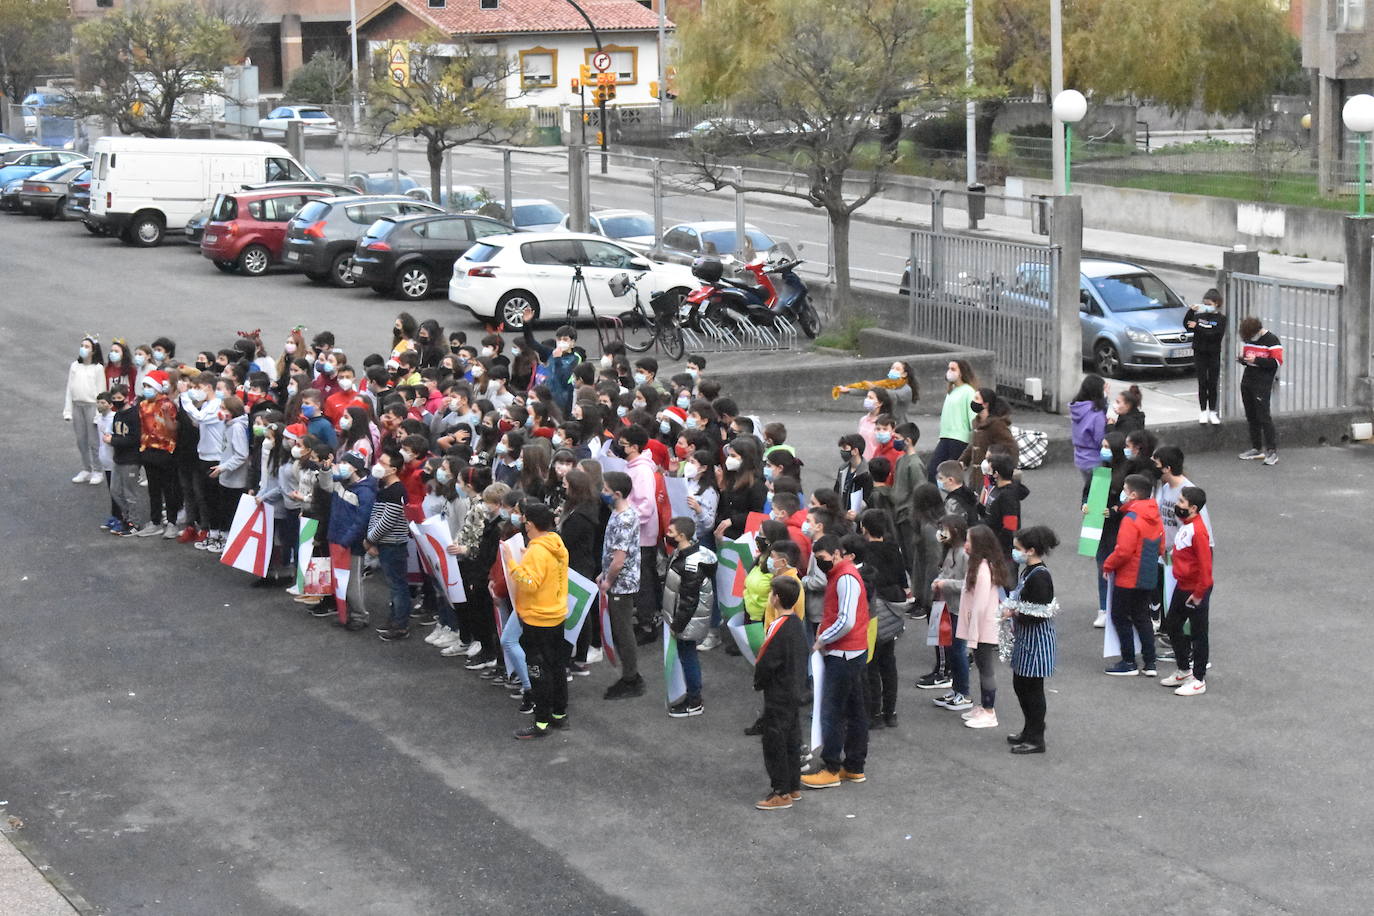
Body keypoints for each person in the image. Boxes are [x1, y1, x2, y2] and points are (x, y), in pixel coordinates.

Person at [801, 534, 871, 790]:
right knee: (854, 710)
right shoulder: (843, 575)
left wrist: (822, 639)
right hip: (850, 652)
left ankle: (831, 767)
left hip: (843, 653)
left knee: (832, 711)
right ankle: (853, 766)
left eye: (822, 559)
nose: (821, 564)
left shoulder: (845, 578)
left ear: (838, 554)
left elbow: (846, 620)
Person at [508, 502, 571, 740]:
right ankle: (558, 714)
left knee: (538, 671)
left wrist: (512, 564)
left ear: (530, 524)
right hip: (556, 615)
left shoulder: (536, 551)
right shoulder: (556, 545)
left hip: (537, 619)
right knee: (556, 666)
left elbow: (530, 582)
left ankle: (541, 722)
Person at [753, 576, 808, 811]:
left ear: (776, 598)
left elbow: (767, 663)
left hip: (778, 693)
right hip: (794, 690)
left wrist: (759, 681)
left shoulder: (778, 629)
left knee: (775, 740)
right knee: (792, 738)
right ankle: (793, 785)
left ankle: (780, 791)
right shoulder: (797, 624)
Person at [1102, 474, 1164, 676]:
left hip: (1128, 576)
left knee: (1119, 616)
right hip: (1147, 574)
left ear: (1134, 494)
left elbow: (1123, 551)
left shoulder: (1131, 518)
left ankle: (1128, 661)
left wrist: (1108, 565)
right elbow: (1161, 547)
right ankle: (1150, 662)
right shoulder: (1154, 516)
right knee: (1142, 617)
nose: (1123, 494)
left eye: (1126, 490)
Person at [1005, 526, 1059, 754]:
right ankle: (1029, 729)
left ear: (1031, 550)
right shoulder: (1028, 571)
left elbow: (1039, 613)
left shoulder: (1040, 577)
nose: (1014, 552)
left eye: (1018, 549)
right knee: (1021, 685)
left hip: (1036, 642)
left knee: (1033, 690)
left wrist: (1014, 613)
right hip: (1025, 639)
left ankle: (1036, 737)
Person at [952, 524, 1007, 729]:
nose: (965, 544)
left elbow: (980, 608)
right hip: (980, 627)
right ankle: (984, 706)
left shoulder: (983, 571)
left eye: (968, 541)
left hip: (983, 629)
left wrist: (972, 637)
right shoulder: (980, 565)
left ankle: (989, 710)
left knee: (985, 669)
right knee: (982, 666)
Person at [1160, 486, 1213, 697]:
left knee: (1199, 634)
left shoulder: (1198, 531)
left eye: (1181, 502)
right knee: (1173, 625)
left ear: (1192, 508)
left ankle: (1199, 679)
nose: (1177, 504)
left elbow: (1206, 567)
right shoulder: (1187, 525)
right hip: (1183, 586)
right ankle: (1184, 669)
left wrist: (1199, 593)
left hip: (1195, 590)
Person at [858, 514, 909, 730]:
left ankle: (875, 712)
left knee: (872, 665)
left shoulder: (866, 554)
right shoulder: (893, 549)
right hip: (894, 610)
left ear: (865, 530)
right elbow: (902, 579)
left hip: (876, 610)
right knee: (889, 664)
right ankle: (891, 711)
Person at [662, 516, 716, 718]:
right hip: (685, 618)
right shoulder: (685, 553)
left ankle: (694, 700)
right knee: (687, 656)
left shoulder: (691, 565)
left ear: (682, 536)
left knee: (688, 657)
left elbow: (688, 600)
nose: (668, 535)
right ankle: (692, 695)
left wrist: (677, 625)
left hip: (686, 621)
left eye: (671, 533)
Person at [601, 471, 646, 700]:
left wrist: (608, 580)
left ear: (617, 494)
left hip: (621, 585)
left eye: (606, 490)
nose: (603, 493)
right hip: (617, 581)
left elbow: (618, 559)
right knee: (620, 629)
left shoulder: (624, 519)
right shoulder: (618, 513)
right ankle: (629, 674)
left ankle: (631, 677)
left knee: (622, 631)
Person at [325, 452, 376, 632]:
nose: (341, 465)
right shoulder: (341, 483)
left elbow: (362, 522)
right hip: (336, 539)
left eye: (345, 462)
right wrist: (325, 469)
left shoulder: (366, 492)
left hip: (350, 544)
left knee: (353, 582)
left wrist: (346, 541)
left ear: (355, 467)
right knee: (340, 581)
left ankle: (360, 616)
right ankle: (345, 614)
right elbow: (325, 484)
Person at [366, 448, 412, 641]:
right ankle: (394, 618)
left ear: (393, 469)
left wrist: (370, 539)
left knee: (398, 585)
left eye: (383, 463)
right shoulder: (385, 489)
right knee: (394, 584)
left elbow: (386, 521)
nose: (378, 466)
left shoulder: (396, 491)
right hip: (386, 543)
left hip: (393, 545)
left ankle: (400, 624)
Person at [920, 514, 969, 692]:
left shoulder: (964, 554)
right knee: (939, 640)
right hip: (943, 602)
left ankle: (951, 681)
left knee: (955, 649)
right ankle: (946, 677)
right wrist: (939, 580)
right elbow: (945, 572)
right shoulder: (950, 549)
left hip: (955, 607)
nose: (940, 533)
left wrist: (944, 583)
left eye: (944, 529)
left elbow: (968, 584)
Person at [136, 370, 181, 539]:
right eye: (145, 386)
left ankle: (172, 522)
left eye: (149, 386)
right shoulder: (142, 405)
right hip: (148, 450)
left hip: (166, 451)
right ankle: (155, 522)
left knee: (169, 489)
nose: (146, 389)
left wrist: (168, 415)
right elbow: (142, 428)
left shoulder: (168, 404)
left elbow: (173, 429)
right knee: (153, 489)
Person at [1237, 316, 1283, 466]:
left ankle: (1272, 450)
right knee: (1251, 415)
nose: (1250, 340)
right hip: (1247, 380)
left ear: (1257, 331)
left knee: (1264, 416)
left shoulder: (1272, 340)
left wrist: (1256, 360)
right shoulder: (1249, 339)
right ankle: (1256, 448)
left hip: (1262, 383)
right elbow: (1246, 358)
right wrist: (1243, 359)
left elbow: (1276, 362)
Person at [927, 359, 978, 482]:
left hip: (959, 438)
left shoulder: (968, 391)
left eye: (953, 369)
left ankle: (959, 498)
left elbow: (973, 417)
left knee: (952, 475)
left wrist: (975, 439)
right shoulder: (952, 390)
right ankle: (937, 500)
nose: (949, 372)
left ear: (962, 373)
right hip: (946, 437)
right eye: (949, 368)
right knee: (932, 470)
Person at [65, 335, 106, 484]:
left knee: (94, 441)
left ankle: (97, 469)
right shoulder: (75, 366)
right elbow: (69, 388)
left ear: (94, 351)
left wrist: (98, 413)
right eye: (82, 345)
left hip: (91, 406)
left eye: (87, 346)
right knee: (81, 440)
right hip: (78, 406)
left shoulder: (98, 368)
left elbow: (101, 390)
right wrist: (68, 410)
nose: (83, 349)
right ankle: (86, 468)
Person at [959, 387, 1015, 492]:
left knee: (987, 503)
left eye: (976, 398)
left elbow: (1011, 446)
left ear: (985, 404)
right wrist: (963, 461)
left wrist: (1007, 472)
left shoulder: (996, 425)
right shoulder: (977, 422)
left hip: (989, 476)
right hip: (975, 476)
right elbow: (974, 444)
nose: (973, 401)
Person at [1185, 288, 1227, 425]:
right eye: (1205, 304)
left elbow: (1215, 334)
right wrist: (1191, 311)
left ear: (1217, 304)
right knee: (1202, 382)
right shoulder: (1199, 316)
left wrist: (1198, 327)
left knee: (1212, 383)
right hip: (1200, 353)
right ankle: (1203, 410)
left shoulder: (1221, 319)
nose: (1206, 307)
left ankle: (1213, 411)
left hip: (1213, 353)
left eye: (1209, 304)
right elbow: (1187, 325)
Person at [832, 361, 917, 426]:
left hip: (898, 426)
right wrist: (848, 390)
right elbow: (868, 391)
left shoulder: (907, 389)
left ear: (904, 374)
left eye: (897, 369)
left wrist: (873, 387)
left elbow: (893, 395)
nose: (893, 370)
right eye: (892, 368)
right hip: (882, 423)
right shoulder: (885, 384)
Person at [1069, 374, 1109, 500]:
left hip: (1081, 458)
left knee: (1091, 494)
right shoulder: (1096, 414)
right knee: (1099, 499)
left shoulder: (1077, 408)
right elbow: (1100, 440)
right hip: (1096, 459)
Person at [833, 434, 873, 519]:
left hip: (857, 519)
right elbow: (836, 491)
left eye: (845, 448)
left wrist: (858, 516)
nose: (842, 451)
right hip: (842, 517)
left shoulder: (866, 473)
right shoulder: (842, 469)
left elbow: (868, 500)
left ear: (855, 451)